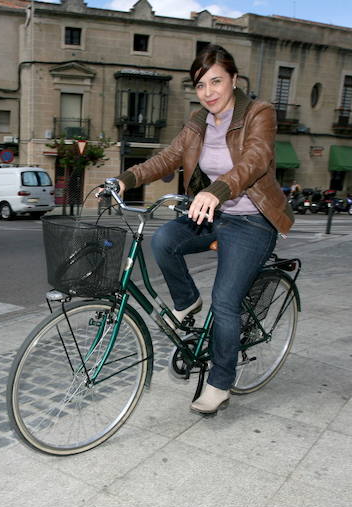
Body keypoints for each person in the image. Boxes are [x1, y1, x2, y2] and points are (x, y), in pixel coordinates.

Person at [110, 44, 294, 414]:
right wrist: (124, 179)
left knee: (226, 302)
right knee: (164, 239)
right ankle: (186, 301)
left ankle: (220, 382)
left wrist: (217, 190)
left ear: (233, 81)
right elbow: (168, 157)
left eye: (216, 82)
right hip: (214, 214)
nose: (208, 92)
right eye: (200, 84)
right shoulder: (198, 122)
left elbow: (256, 158)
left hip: (253, 220)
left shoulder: (259, 113)